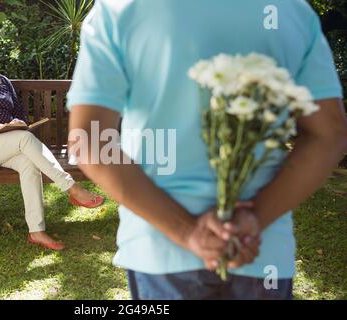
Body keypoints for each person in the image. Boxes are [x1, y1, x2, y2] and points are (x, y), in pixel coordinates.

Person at [67, 0, 347, 299]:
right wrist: (254, 220)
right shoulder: (291, 10)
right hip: (259, 251)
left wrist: (187, 232)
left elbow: (90, 139)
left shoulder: (120, 8)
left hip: (160, 251)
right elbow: (328, 135)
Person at [0, 25, 104, 251]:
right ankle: (72, 188)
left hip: (9, 144)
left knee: (29, 162)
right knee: (24, 139)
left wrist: (17, 125)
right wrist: (5, 128)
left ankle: (36, 231)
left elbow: (18, 115)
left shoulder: (2, 81)